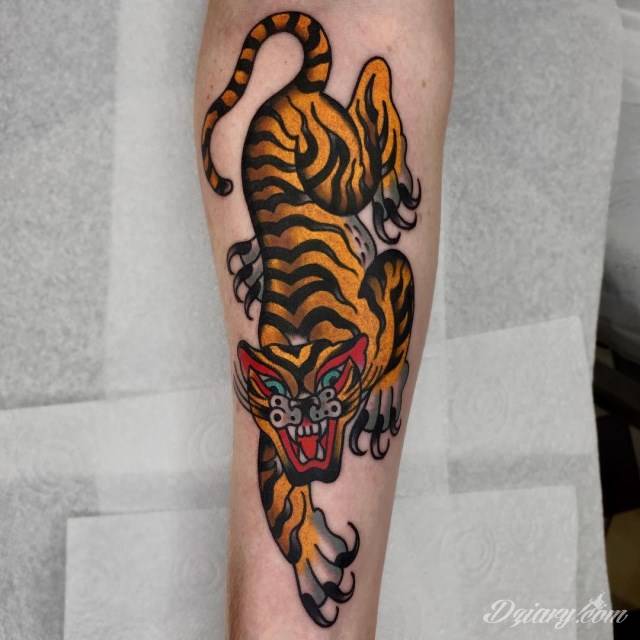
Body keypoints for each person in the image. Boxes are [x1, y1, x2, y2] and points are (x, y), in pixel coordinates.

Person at [194, 2, 454, 637]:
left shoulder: (359, 344)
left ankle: (373, 95)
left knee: (358, 188)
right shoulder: (300, 382)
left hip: (301, 145)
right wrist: (301, 540)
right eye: (292, 417)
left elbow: (394, 276)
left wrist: (387, 370)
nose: (306, 437)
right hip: (283, 154)